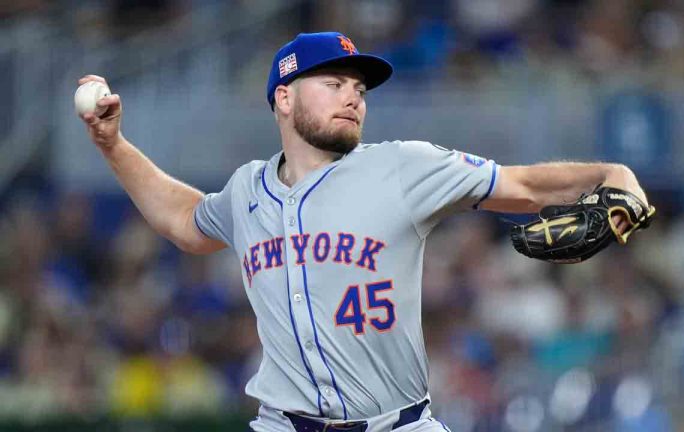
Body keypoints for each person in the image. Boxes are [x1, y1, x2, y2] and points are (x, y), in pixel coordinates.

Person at [78, 32, 649, 432]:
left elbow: (523, 185)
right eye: (333, 82)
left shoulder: (402, 166)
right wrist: (112, 145)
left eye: (360, 87)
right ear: (284, 97)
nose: (354, 95)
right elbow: (184, 219)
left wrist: (610, 174)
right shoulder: (248, 189)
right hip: (282, 424)